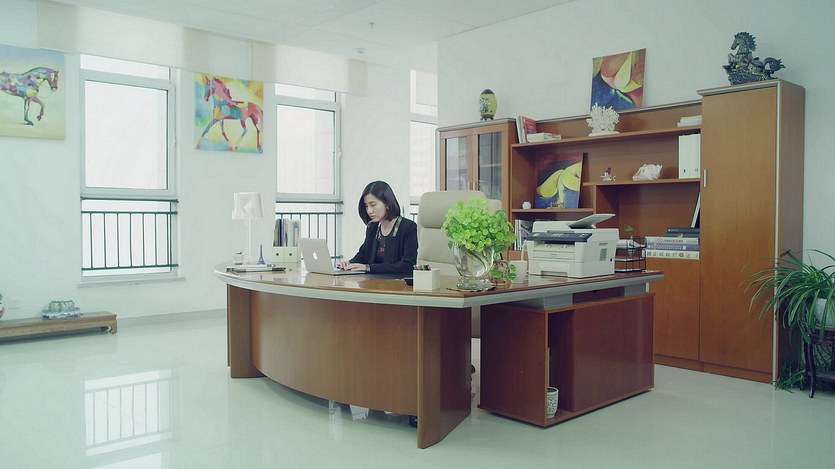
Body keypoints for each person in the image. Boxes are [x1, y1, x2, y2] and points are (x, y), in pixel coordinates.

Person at [335, 181, 418, 274]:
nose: (369, 211)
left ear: (387, 203)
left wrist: (369, 268)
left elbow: (407, 266)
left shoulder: (408, 228)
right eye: (366, 206)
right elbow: (363, 254)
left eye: (373, 205)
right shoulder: (373, 227)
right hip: (373, 281)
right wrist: (349, 263)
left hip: (396, 282)